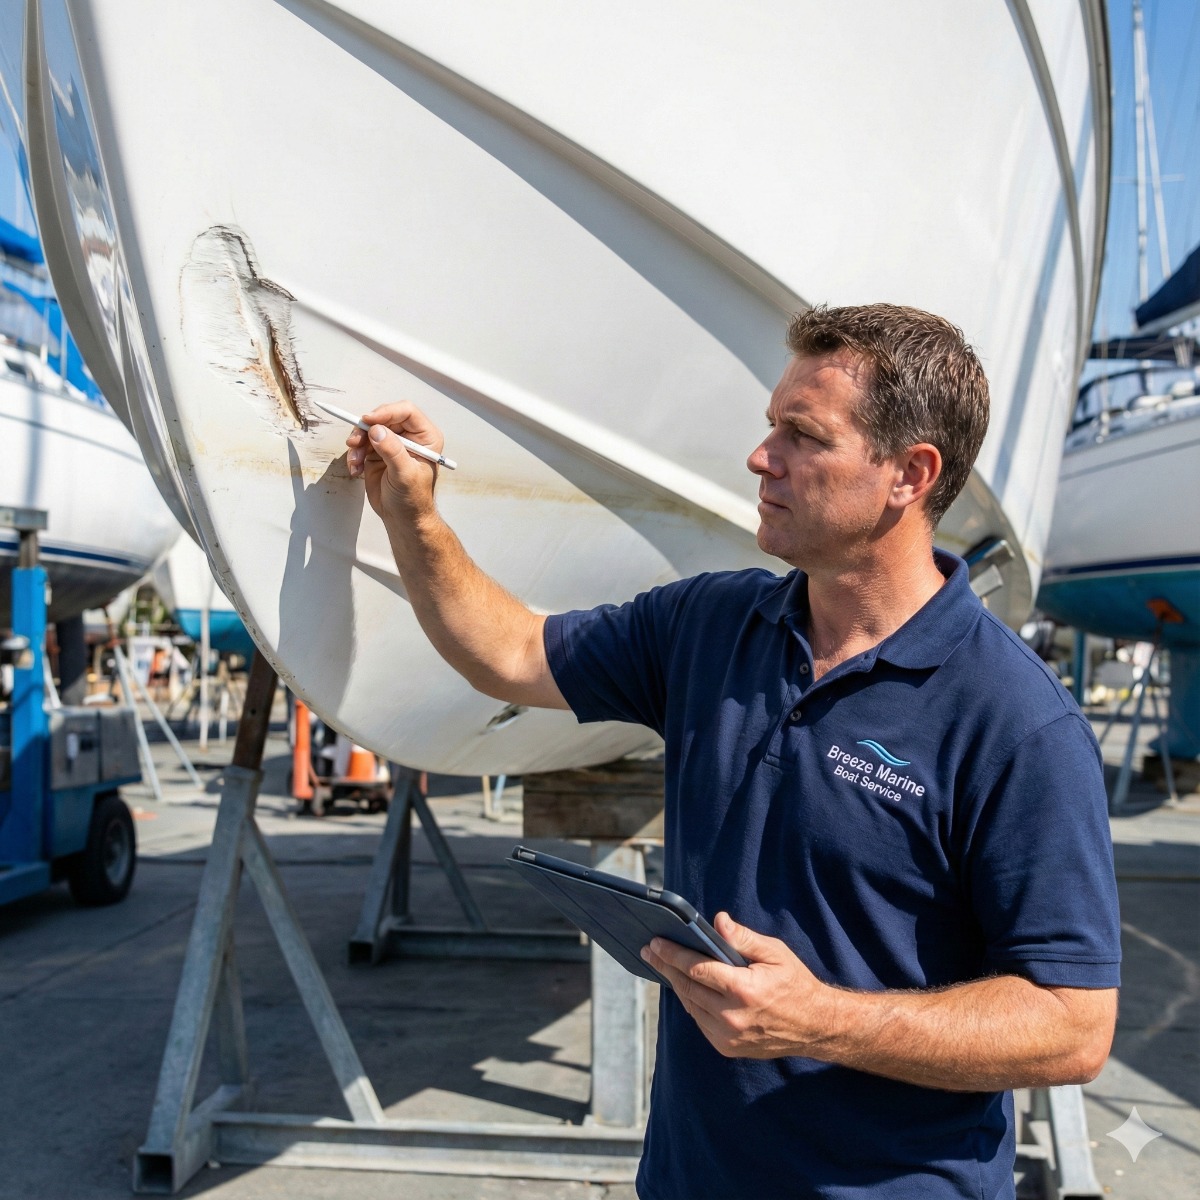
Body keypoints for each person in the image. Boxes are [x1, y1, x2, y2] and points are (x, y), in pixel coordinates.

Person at [346, 303, 1121, 1200]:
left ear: (910, 474)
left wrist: (819, 1021)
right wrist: (412, 512)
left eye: (803, 435)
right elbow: (511, 652)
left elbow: (1073, 1026)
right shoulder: (711, 625)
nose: (762, 457)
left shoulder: (1017, 722)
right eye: (769, 428)